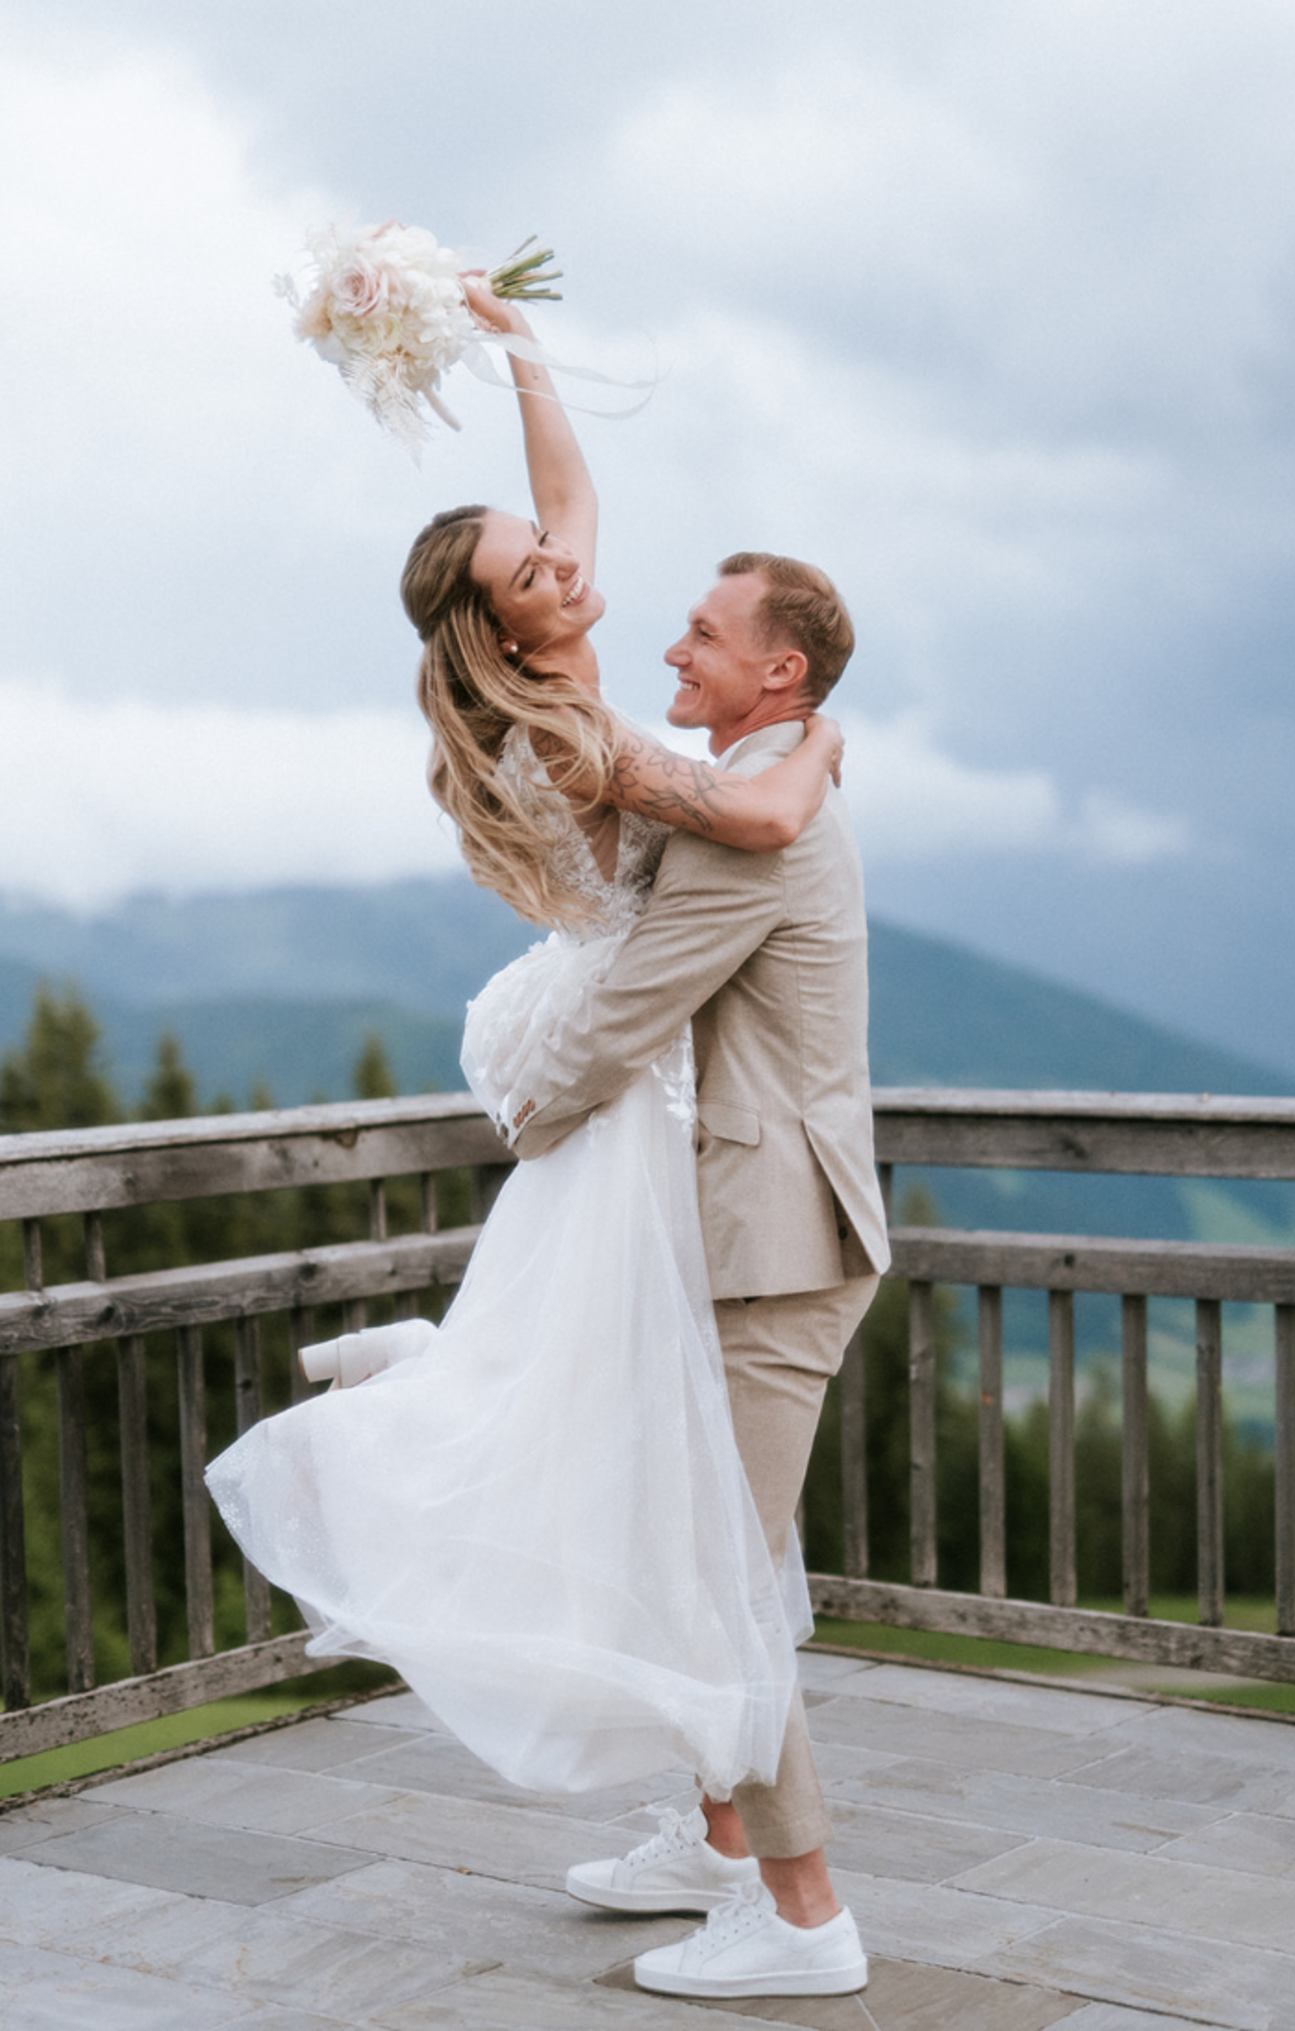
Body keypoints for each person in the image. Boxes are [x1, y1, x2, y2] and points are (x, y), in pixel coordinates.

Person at [204, 281, 843, 1808]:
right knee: (650, 1444)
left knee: (645, 1427)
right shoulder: (571, 733)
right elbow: (763, 816)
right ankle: (438, 1390)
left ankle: (453, 1374)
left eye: (545, 549)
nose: (564, 561)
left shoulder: (549, 673)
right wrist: (819, 729)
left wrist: (518, 349)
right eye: (531, 569)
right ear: (507, 624)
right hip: (637, 1053)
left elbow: (571, 498)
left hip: (624, 1016)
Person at [499, 551, 890, 2000]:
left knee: (717, 1587)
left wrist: (531, 1109)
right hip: (744, 1230)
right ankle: (722, 1850)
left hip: (774, 1245)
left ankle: (806, 1920)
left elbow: (634, 1000)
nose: (677, 645)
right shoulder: (763, 780)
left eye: (707, 633)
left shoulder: (758, 823)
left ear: (781, 672)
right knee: (718, 1561)